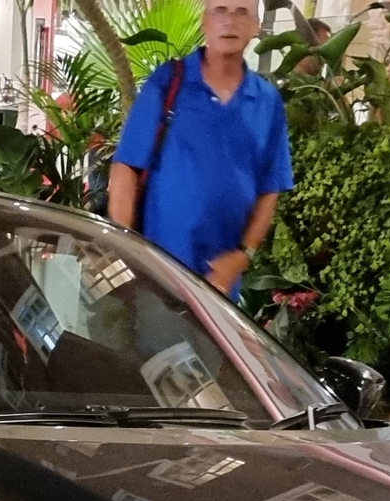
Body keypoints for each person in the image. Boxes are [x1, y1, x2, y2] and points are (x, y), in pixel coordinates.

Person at [107, 0, 293, 296]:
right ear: (205, 21)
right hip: (157, 273)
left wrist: (243, 255)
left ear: (256, 27)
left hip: (220, 285)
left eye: (241, 12)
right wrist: (124, 249)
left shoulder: (267, 102)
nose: (230, 21)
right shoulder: (168, 82)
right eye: (220, 10)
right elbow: (126, 167)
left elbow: (270, 188)